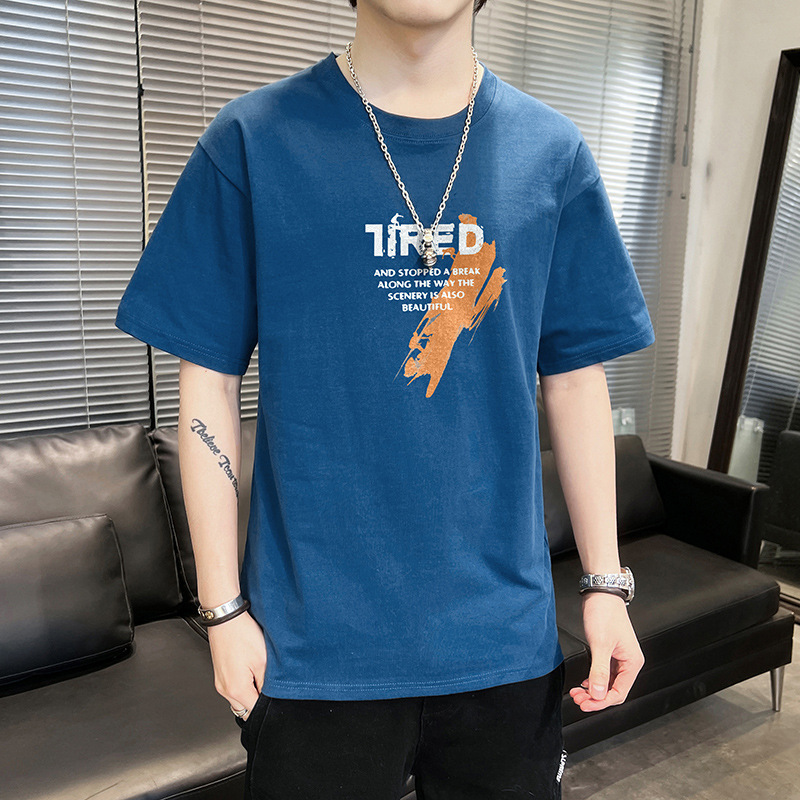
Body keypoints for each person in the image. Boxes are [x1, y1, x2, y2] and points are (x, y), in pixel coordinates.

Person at [115, 0, 654, 796]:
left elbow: (574, 377)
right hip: (311, 652)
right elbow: (208, 381)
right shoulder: (254, 142)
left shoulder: (551, 153)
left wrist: (605, 584)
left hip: (502, 645)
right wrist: (222, 611)